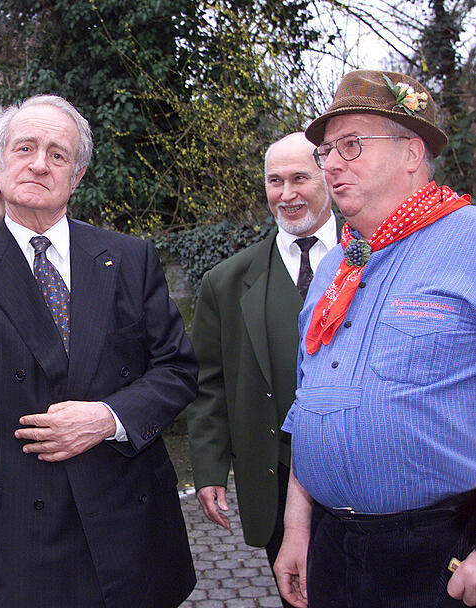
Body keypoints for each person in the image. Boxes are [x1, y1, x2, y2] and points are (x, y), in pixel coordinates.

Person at [0, 95, 197, 607]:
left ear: (77, 175)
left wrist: (108, 417)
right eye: (25, 148)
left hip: (130, 522)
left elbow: (176, 369)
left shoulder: (130, 257)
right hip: (25, 532)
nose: (39, 163)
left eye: (58, 154)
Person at [274, 70, 476, 608]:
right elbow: (309, 398)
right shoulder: (339, 262)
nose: (332, 163)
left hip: (440, 554)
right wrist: (298, 527)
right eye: (327, 151)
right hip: (334, 549)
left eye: (351, 145)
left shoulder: (469, 241)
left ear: (412, 153)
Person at [187, 132, 337, 608]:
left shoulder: (375, 258)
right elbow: (209, 384)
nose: (286, 194)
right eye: (275, 181)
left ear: (329, 178)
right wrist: (210, 468)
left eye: (299, 178)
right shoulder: (226, 281)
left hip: (358, 481)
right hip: (272, 483)